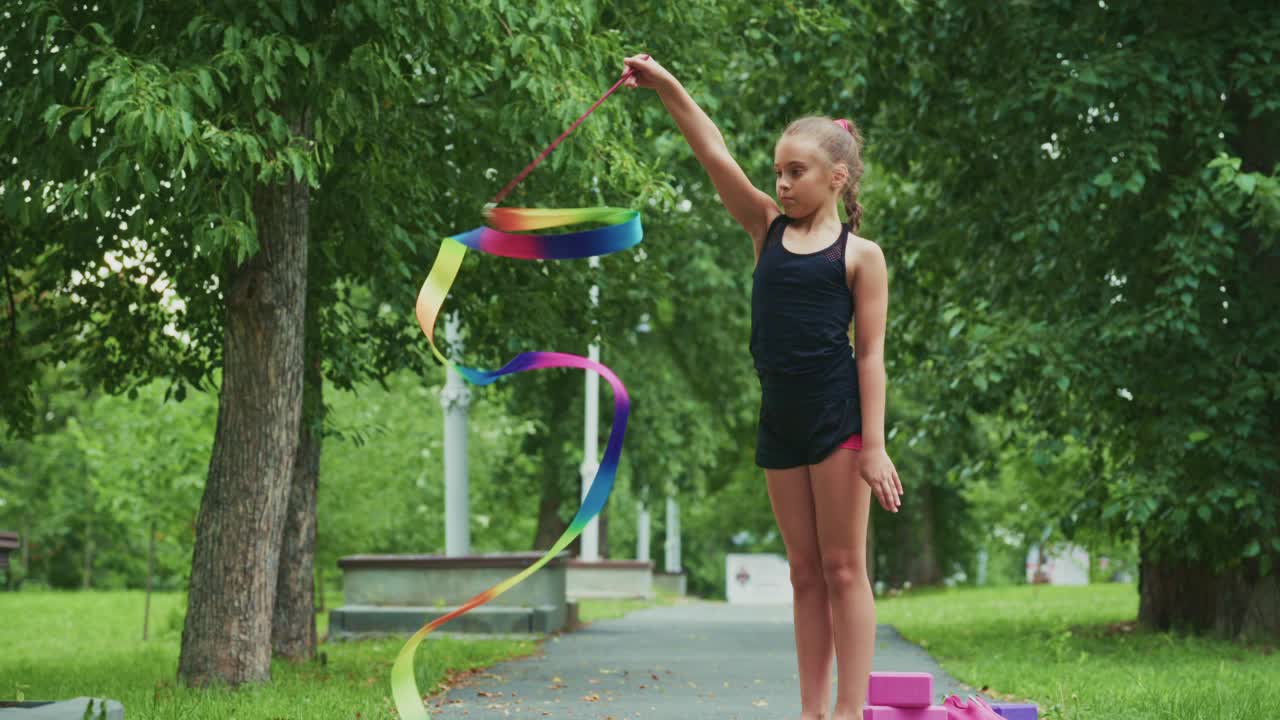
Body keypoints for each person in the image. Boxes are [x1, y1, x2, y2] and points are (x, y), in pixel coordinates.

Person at [622, 54, 904, 720]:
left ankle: (847, 711)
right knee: (803, 573)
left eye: (795, 172)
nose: (781, 183)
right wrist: (666, 83)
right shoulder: (764, 230)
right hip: (779, 418)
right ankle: (811, 712)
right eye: (777, 171)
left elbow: (871, 357)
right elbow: (711, 150)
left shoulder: (861, 257)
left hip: (837, 417)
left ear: (837, 178)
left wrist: (874, 445)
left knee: (843, 570)